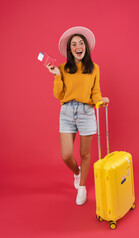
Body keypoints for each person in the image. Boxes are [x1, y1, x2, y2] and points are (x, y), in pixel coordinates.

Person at [45, 26, 109, 206]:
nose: (78, 46)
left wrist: (100, 100)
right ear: (70, 49)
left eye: (81, 43)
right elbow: (58, 95)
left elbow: (95, 92)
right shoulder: (62, 68)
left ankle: (82, 187)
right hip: (66, 112)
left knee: (85, 154)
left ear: (86, 48)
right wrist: (57, 76)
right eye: (74, 44)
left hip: (87, 112)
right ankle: (77, 172)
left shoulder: (94, 68)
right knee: (66, 155)